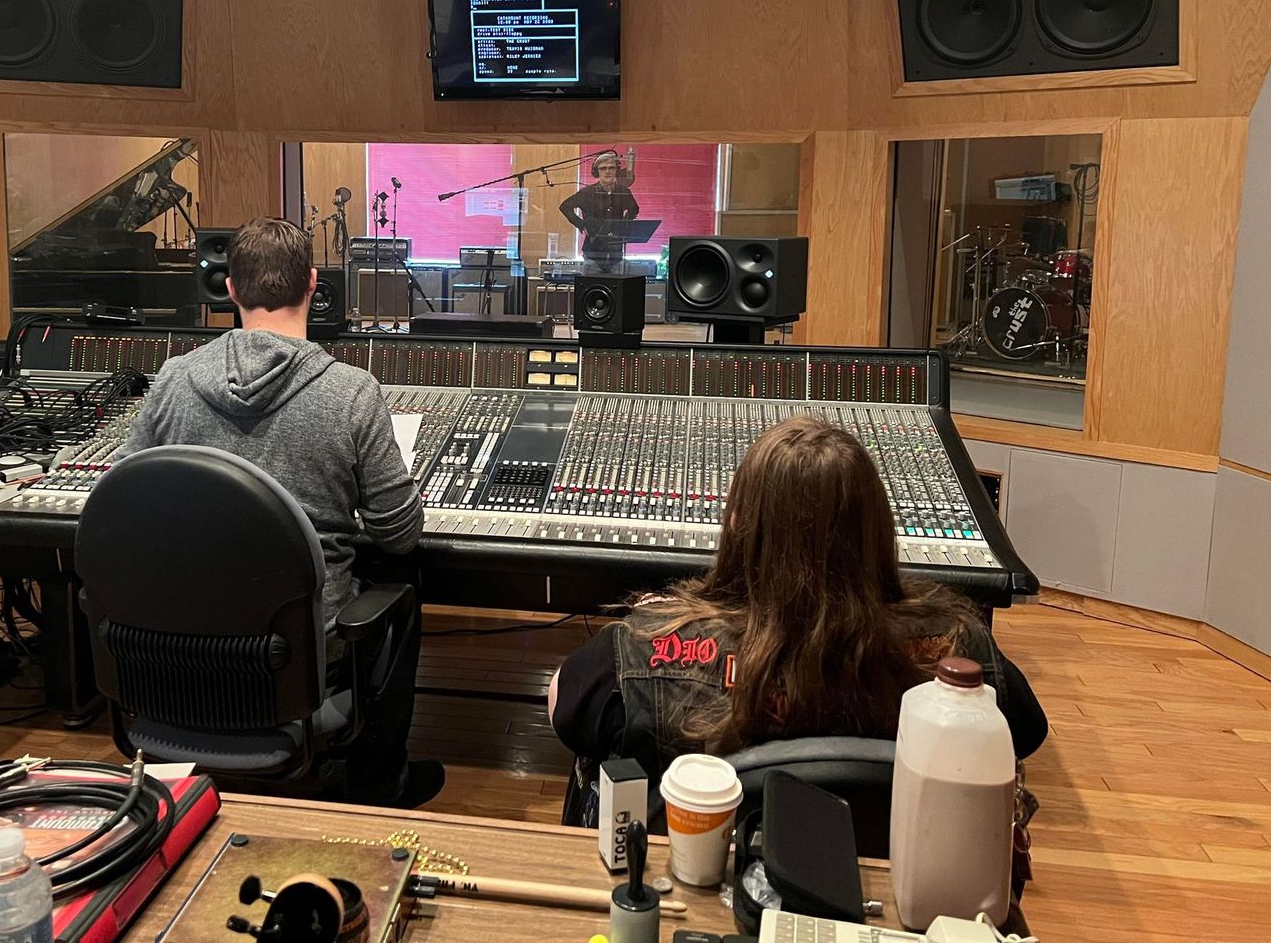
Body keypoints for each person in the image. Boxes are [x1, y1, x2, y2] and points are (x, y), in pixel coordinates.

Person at [117, 216, 438, 806]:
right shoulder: (351, 393)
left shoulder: (173, 380)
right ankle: (380, 781)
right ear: (314, 283)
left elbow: (124, 500)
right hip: (294, 660)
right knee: (403, 578)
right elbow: (399, 534)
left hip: (171, 654)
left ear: (230, 289)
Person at [549, 416, 1046, 786]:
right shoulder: (960, 646)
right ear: (876, 530)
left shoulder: (649, 644)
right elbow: (1023, 733)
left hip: (701, 874)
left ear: (738, 524)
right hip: (905, 881)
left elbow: (563, 706)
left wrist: (659, 619)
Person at [559, 152, 639, 272]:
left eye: (611, 168)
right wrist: (581, 225)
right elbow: (565, 206)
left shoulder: (624, 192)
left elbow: (634, 209)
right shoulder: (587, 193)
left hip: (616, 255)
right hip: (593, 255)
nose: (607, 171)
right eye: (603, 168)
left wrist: (624, 224)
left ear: (616, 170)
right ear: (597, 171)